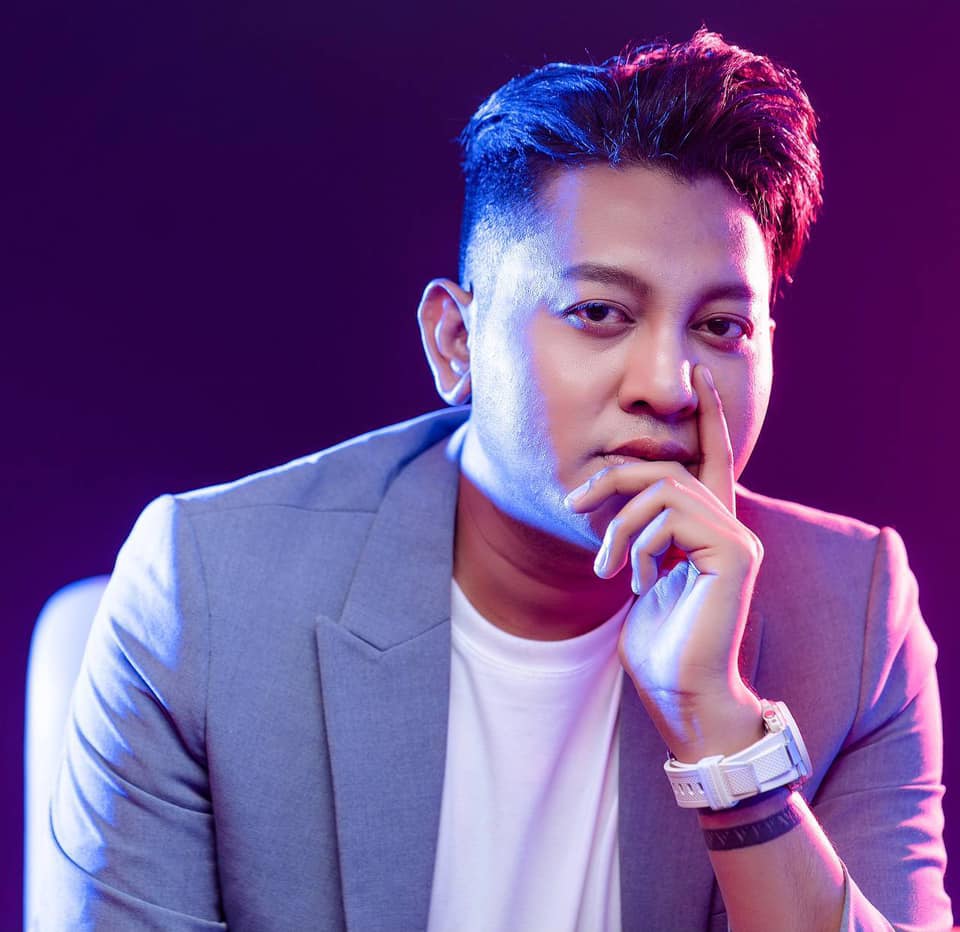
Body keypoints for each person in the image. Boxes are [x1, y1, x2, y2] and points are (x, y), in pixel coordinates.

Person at [41, 28, 952, 931]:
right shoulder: (210, 590)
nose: (669, 386)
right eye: (599, 312)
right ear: (456, 342)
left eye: (722, 328)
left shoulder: (854, 617)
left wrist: (718, 729)